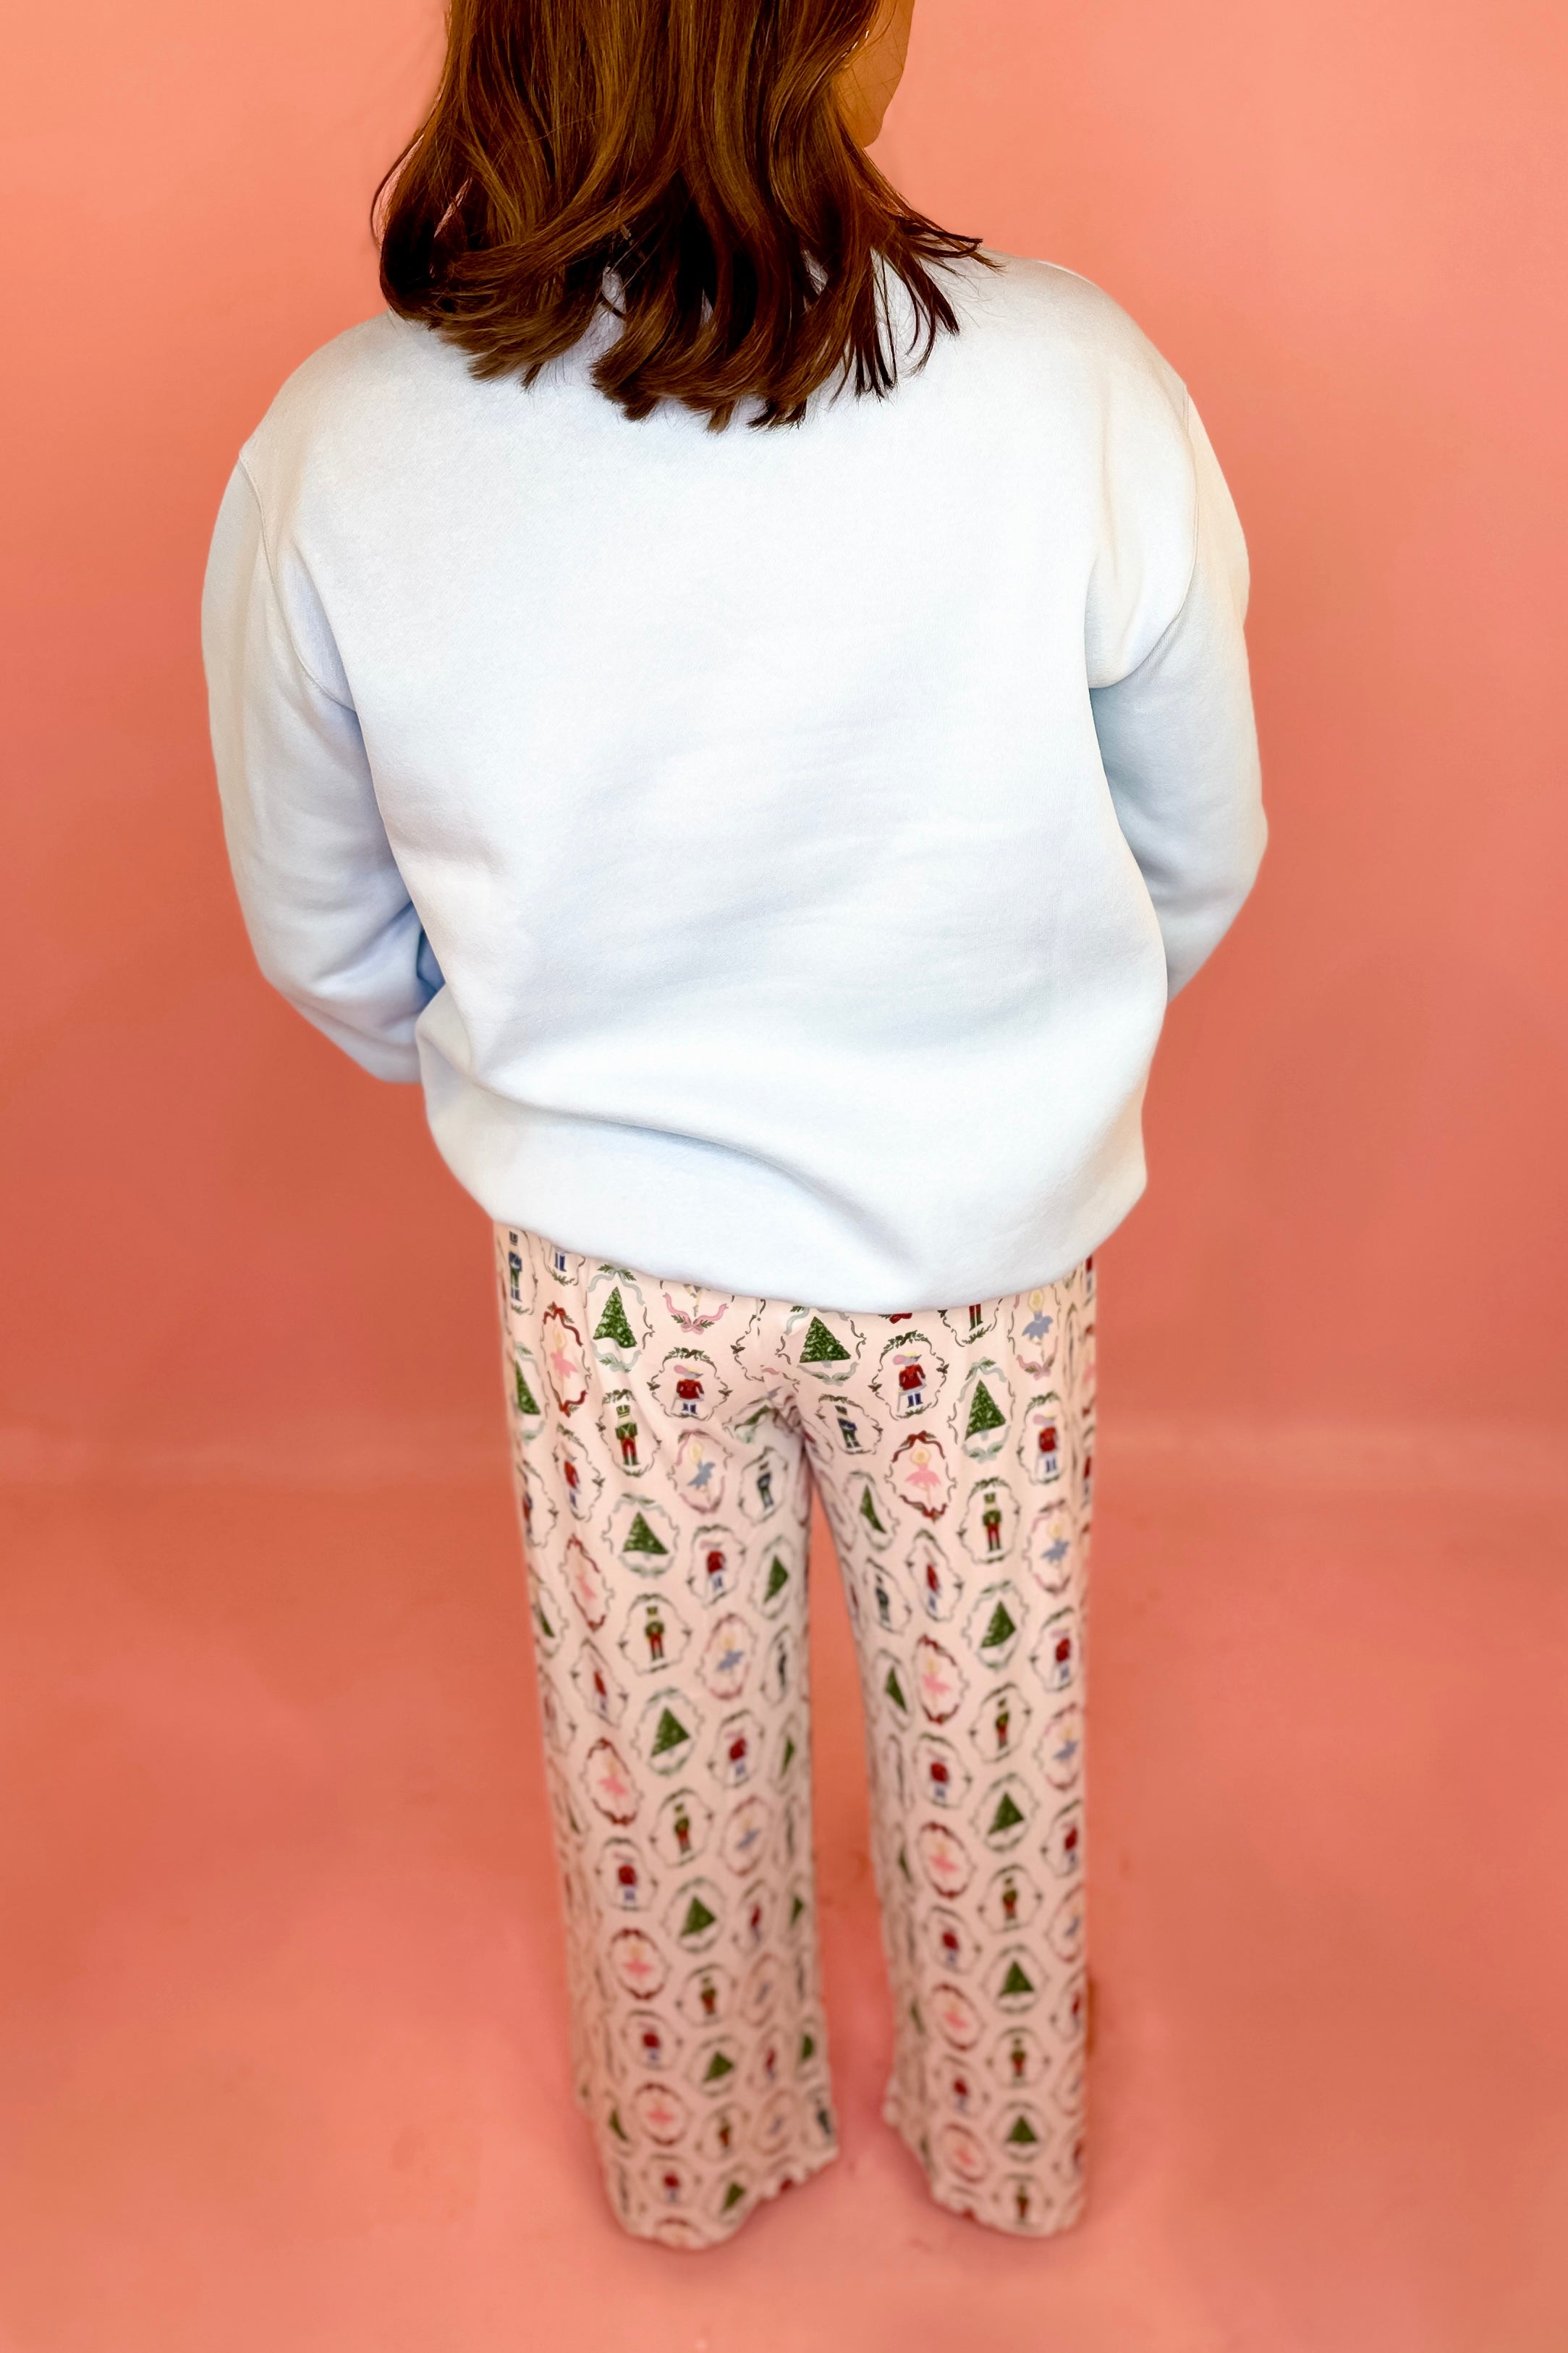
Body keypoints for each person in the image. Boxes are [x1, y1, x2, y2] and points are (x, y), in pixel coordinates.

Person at [201, 0, 1263, 2253]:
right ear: (842, 34)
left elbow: (320, 927)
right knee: (994, 1746)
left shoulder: (342, 444)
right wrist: (1016, 1044)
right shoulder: (1075, 385)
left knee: (653, 1762)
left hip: (607, 1273)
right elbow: (1199, 843)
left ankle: (690, 2157)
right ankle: (1009, 2138)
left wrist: (548, 1072)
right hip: (980, 1258)